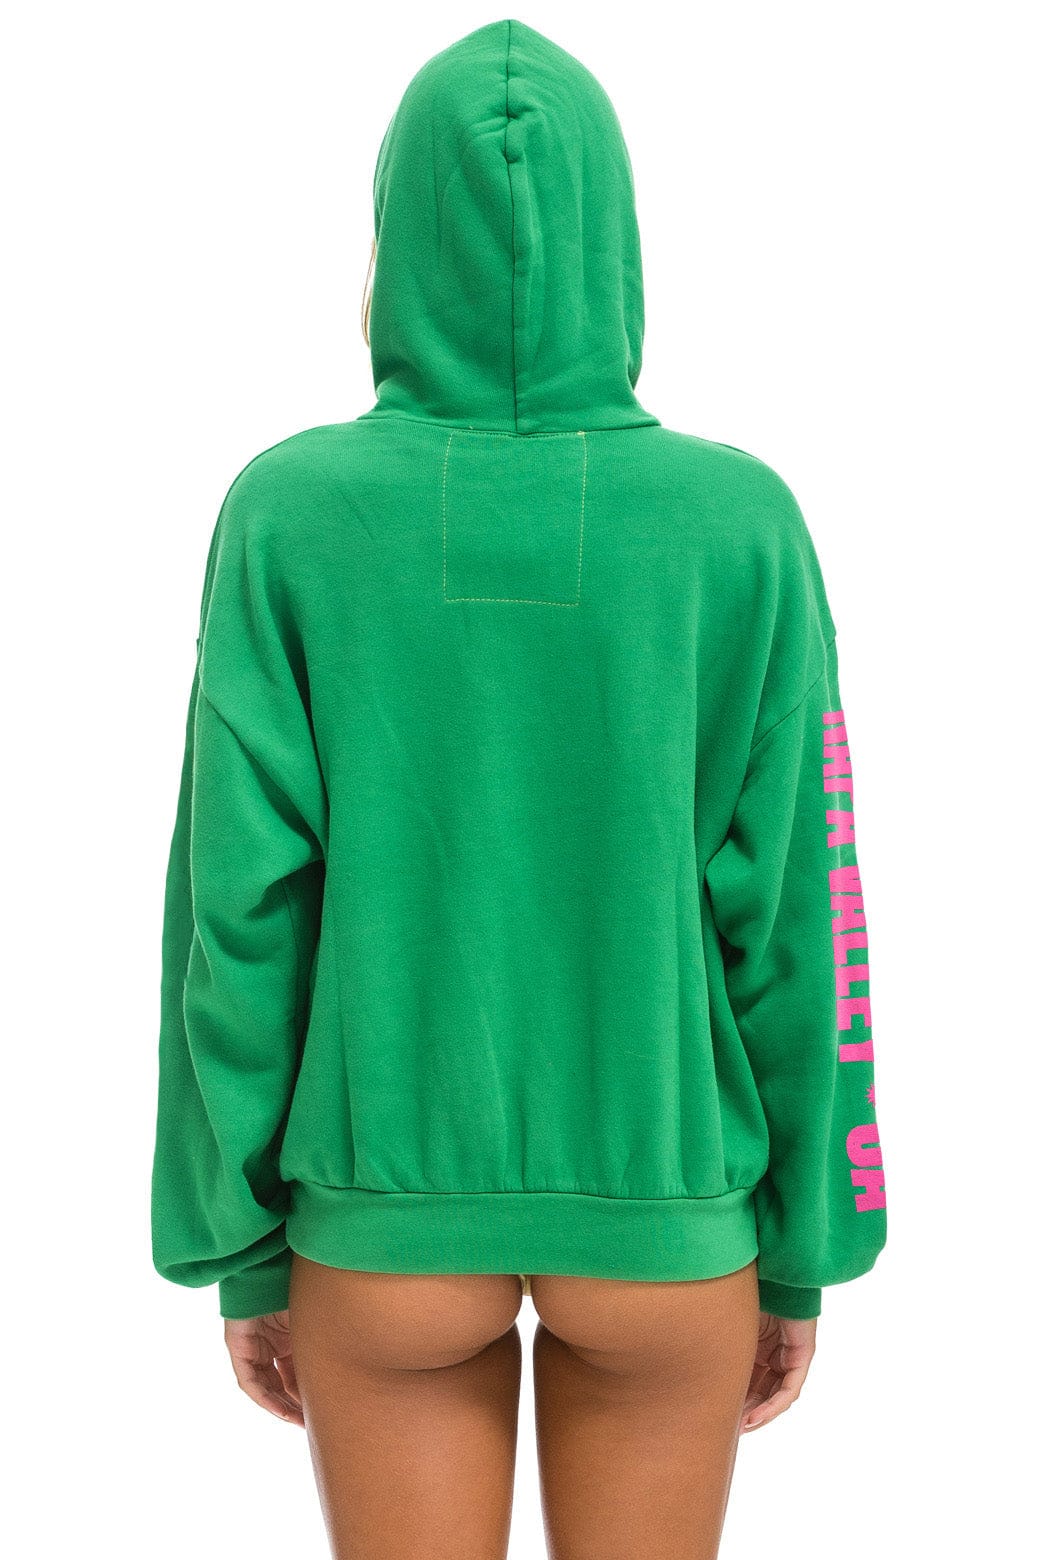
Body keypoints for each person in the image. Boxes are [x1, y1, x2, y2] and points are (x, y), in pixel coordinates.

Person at [150, 17, 887, 1559]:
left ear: (393, 238)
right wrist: (808, 1247)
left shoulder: (288, 516)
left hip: (382, 1225)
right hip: (669, 1221)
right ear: (622, 242)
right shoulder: (740, 524)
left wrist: (241, 1244)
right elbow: (805, 912)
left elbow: (236, 912)